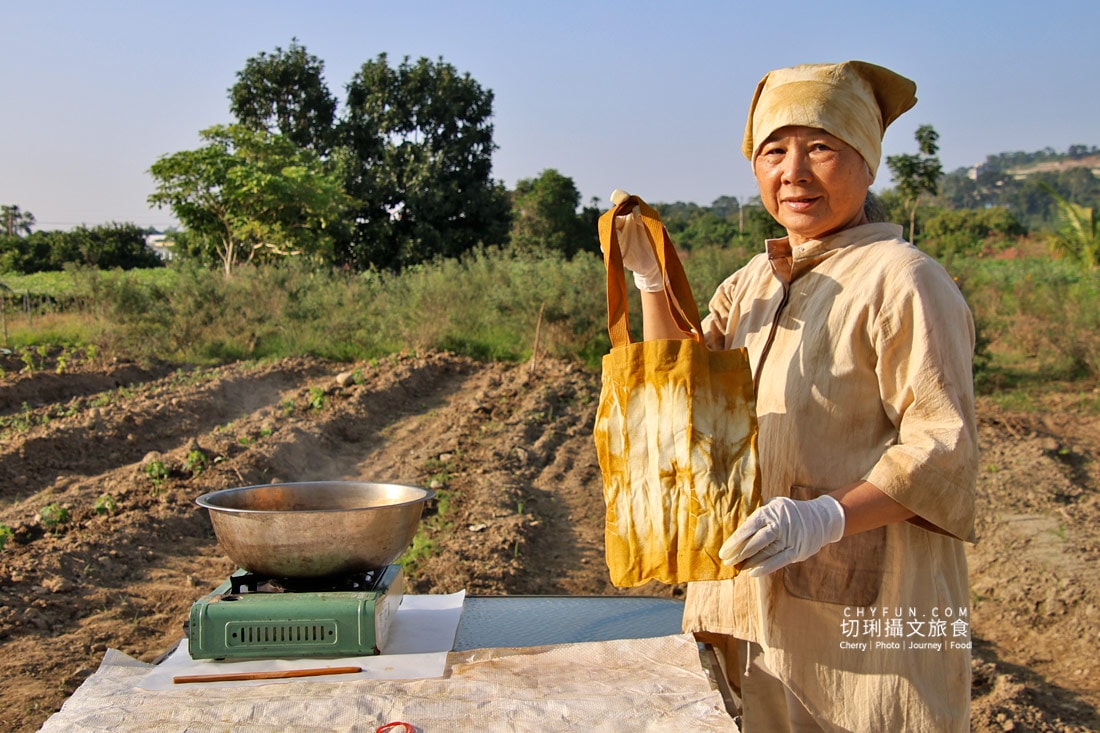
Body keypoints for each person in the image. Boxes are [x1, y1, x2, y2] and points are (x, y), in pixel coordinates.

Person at [614, 60, 978, 731]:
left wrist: (824, 518)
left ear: (866, 163)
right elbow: (681, 395)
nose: (794, 172)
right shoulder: (751, 281)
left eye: (821, 148)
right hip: (743, 609)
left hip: (860, 635)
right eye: (774, 150)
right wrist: (653, 284)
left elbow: (942, 448)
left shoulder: (905, 282)